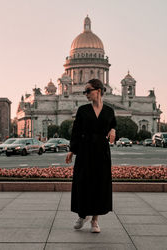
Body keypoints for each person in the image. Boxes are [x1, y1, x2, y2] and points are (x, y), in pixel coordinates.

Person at [66, 78, 116, 233]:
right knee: (83, 182)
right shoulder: (82, 110)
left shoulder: (109, 111)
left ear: (98, 90)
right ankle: (82, 215)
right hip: (85, 150)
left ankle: (95, 220)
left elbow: (113, 124)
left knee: (99, 184)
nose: (85, 94)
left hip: (101, 151)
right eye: (85, 91)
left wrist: (113, 130)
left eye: (88, 91)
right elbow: (76, 131)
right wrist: (72, 150)